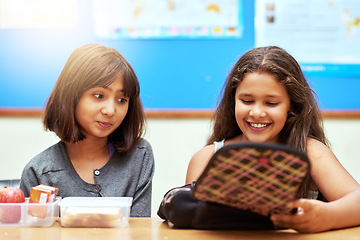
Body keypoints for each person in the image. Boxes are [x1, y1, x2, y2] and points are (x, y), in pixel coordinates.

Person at [159, 46, 360, 232]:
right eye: (246, 101)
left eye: (271, 103)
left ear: (291, 105)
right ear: (233, 100)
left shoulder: (311, 151)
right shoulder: (207, 157)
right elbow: (193, 225)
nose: (257, 112)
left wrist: (328, 217)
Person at [20, 44, 155, 217]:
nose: (110, 110)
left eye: (121, 99)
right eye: (99, 96)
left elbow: (139, 231)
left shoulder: (139, 155)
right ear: (71, 96)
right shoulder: (39, 172)